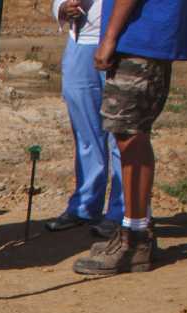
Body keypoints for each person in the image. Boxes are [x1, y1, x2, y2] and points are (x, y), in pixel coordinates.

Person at [74, 0, 187, 274]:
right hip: (145, 36)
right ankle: (134, 232)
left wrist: (109, 37)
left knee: (129, 134)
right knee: (131, 132)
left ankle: (135, 240)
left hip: (138, 37)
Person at [44, 0, 123, 234]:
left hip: (122, 44)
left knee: (122, 131)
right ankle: (85, 205)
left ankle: (121, 212)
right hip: (81, 43)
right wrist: (62, 8)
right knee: (85, 131)